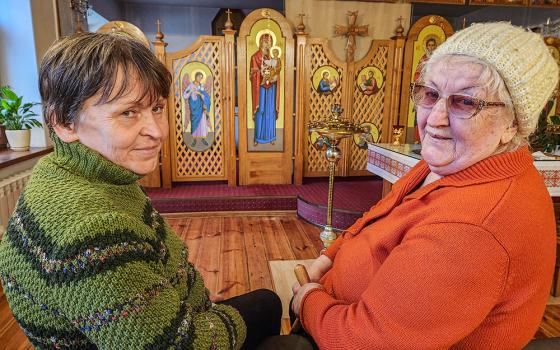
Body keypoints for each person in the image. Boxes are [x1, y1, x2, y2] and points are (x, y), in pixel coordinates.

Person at [0, 32, 286, 350]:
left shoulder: (69, 172)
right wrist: (205, 316)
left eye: (157, 108)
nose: (157, 131)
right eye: (128, 112)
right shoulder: (91, 233)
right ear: (64, 124)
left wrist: (187, 302)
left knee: (268, 302)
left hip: (158, 317)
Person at [290, 22, 559, 349]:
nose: (434, 118)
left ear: (513, 123)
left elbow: (365, 342)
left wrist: (308, 300)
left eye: (465, 102)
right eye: (431, 94)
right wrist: (332, 255)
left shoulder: (472, 229)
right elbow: (379, 215)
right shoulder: (451, 164)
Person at [250, 33, 279, 147]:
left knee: (270, 111)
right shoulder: (255, 57)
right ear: (261, 42)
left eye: (270, 43)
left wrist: (275, 76)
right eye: (267, 42)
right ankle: (258, 137)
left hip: (271, 87)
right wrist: (261, 74)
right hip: (260, 88)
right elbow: (252, 74)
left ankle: (271, 137)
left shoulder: (271, 58)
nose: (268, 45)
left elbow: (276, 71)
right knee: (260, 110)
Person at [183, 71, 211, 148]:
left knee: (202, 122)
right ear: (195, 76)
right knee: (194, 123)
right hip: (194, 108)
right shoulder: (190, 85)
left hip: (200, 108)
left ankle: (203, 139)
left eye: (201, 78)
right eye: (199, 77)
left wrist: (200, 94)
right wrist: (191, 91)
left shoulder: (201, 86)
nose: (200, 79)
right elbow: (185, 96)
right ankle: (194, 140)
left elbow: (205, 96)